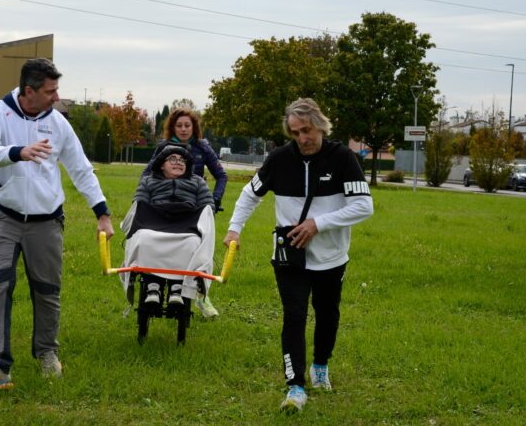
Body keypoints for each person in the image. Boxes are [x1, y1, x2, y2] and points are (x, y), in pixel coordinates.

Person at [222, 98, 373, 413]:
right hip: (290, 257)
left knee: (327, 314)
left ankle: (320, 366)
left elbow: (363, 206)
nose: (303, 138)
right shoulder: (279, 159)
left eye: (307, 130)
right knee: (294, 317)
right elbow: (250, 195)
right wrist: (234, 228)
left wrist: (318, 224)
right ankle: (295, 387)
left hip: (332, 257)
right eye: (295, 133)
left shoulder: (343, 158)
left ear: (319, 124)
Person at [0, 57, 114, 393]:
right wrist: (19, 151)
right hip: (4, 219)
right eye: (50, 91)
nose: (56, 97)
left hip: (46, 223)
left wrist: (103, 214)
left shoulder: (58, 124)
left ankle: (48, 354)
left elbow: (81, 169)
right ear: (29, 91)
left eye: (56, 90)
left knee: (48, 291)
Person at [142, 108, 227, 317]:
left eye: (187, 125)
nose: (183, 129)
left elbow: (221, 175)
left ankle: (203, 297)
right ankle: (156, 282)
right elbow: (147, 173)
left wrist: (213, 202)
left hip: (193, 205)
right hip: (164, 204)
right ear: (173, 127)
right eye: (179, 125)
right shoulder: (164, 147)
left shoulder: (203, 147)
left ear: (194, 128)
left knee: (201, 248)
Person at [123, 144, 215, 308]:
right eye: (172, 159)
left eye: (182, 160)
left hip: (187, 226)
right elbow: (139, 205)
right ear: (161, 164)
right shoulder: (148, 181)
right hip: (153, 223)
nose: (178, 162)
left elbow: (208, 208)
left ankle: (177, 288)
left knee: (192, 243)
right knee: (143, 239)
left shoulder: (198, 182)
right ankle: (152, 285)